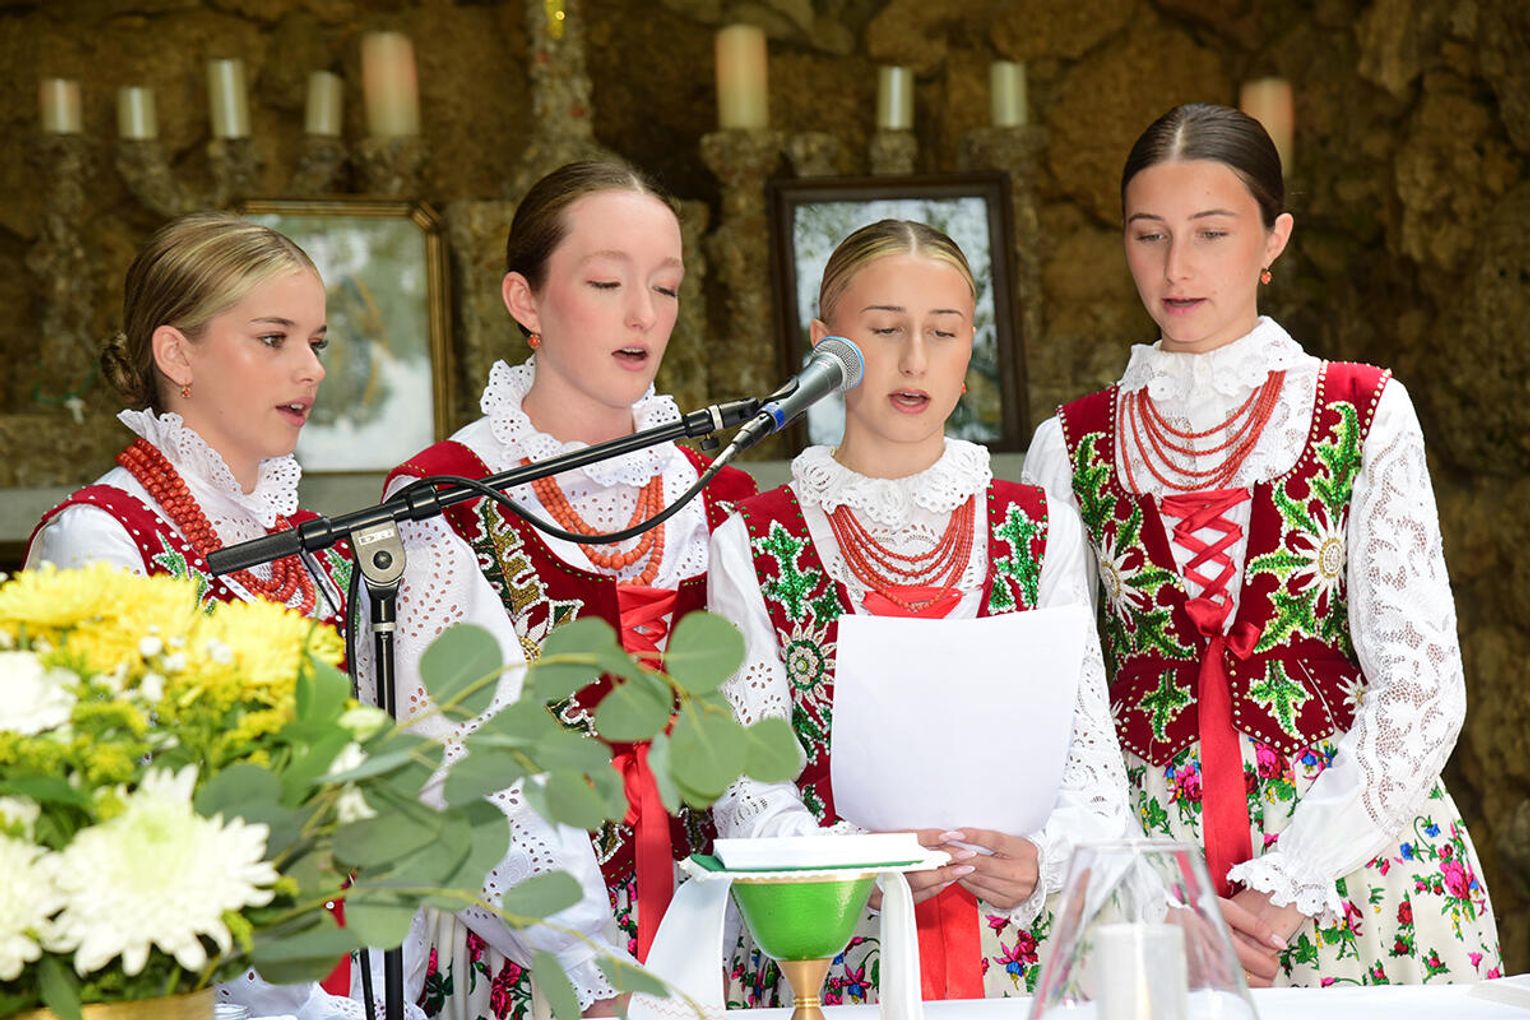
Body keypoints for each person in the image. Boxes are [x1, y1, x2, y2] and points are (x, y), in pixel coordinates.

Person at [1022, 102, 1502, 987]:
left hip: (1356, 870)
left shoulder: (1364, 412)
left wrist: (1292, 882)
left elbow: (1422, 684)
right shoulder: (1070, 445)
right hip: (1150, 881)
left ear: (1274, 238)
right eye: (1149, 234)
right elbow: (1052, 708)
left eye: (1212, 232)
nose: (1176, 267)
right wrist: (1146, 893)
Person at [707, 219, 1131, 1003]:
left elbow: (1095, 770)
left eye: (943, 331)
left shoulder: (1041, 528)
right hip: (834, 957)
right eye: (884, 329)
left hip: (1019, 953)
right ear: (825, 347)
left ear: (971, 349)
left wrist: (1043, 859)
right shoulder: (752, 540)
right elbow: (746, 787)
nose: (914, 359)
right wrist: (857, 866)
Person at [373, 160, 757, 1020]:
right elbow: (456, 761)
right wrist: (590, 972)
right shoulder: (442, 497)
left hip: (717, 948)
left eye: (666, 287)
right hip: (531, 960)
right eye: (606, 282)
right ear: (526, 300)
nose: (643, 314)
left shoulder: (721, 495)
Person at [24, 212, 376, 1018]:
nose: (312, 369)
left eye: (317, 342)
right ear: (176, 355)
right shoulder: (102, 538)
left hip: (345, 971)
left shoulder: (310, 545)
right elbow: (108, 818)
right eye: (274, 339)